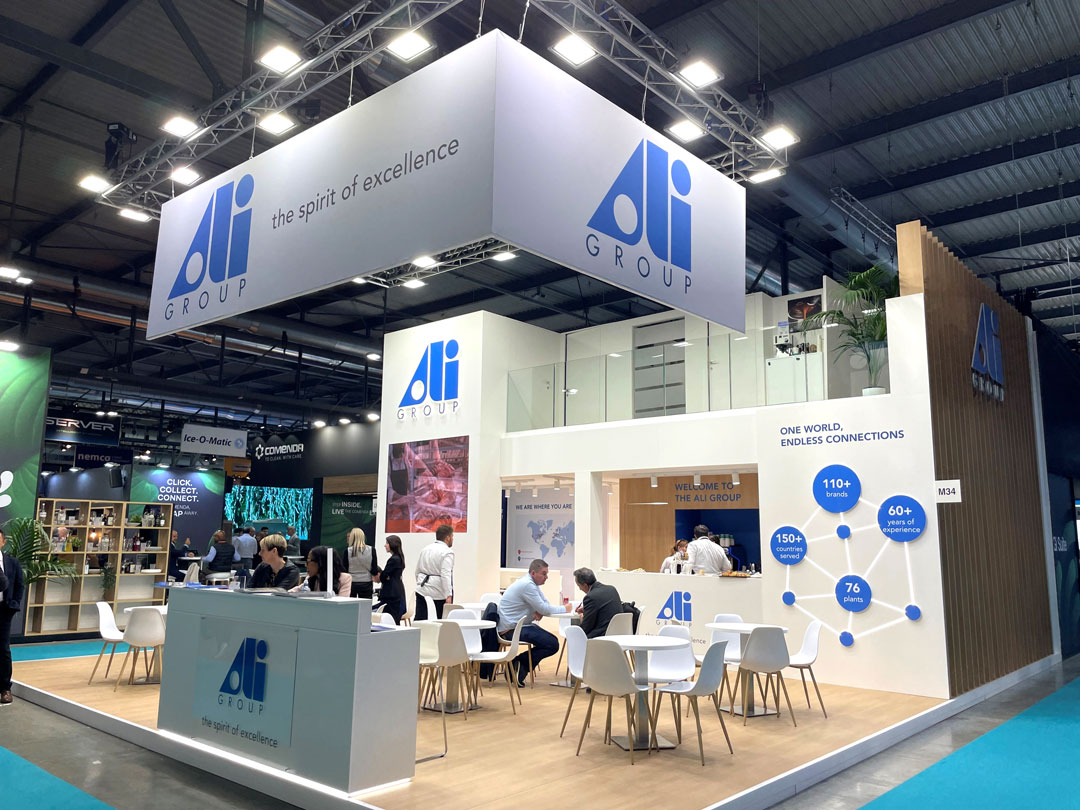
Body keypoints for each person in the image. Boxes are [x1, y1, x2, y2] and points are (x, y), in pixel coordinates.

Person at [497, 559, 567, 685]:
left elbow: (545, 605)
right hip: (511, 630)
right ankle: (518, 663)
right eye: (544, 574)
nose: (546, 577)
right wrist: (565, 608)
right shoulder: (527, 585)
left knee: (551, 642)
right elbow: (545, 608)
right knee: (552, 644)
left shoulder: (531, 584)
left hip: (521, 626)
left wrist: (540, 610)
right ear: (533, 573)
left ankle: (519, 665)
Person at [0, 528, 24, 706]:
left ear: (3, 542)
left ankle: (5, 688)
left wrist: (14, 604)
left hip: (3, 610)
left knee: (3, 649)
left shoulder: (12, 562)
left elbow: (19, 585)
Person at [414, 524, 454, 620]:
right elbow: (445, 575)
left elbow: (417, 571)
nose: (453, 539)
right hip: (438, 594)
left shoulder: (425, 549)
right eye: (452, 536)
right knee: (438, 623)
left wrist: (420, 583)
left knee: (420, 621)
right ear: (447, 538)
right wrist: (448, 594)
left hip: (421, 590)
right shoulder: (447, 552)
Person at [573, 567, 624, 638]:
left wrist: (582, 618)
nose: (579, 589)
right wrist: (587, 609)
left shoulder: (590, 597)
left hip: (602, 636)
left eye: (579, 585)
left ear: (585, 585)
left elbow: (586, 628)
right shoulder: (612, 589)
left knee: (575, 636)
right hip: (620, 633)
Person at [373, 535, 406, 624]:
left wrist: (385, 576)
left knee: (391, 619)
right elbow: (386, 576)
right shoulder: (399, 558)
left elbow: (383, 576)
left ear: (393, 544)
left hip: (391, 595)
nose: (385, 545)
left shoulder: (394, 559)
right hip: (395, 593)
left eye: (387, 543)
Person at [346, 528, 377, 599]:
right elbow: (374, 570)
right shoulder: (371, 550)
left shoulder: (348, 551)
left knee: (350, 604)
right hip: (366, 582)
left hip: (352, 582)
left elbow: (345, 569)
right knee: (366, 604)